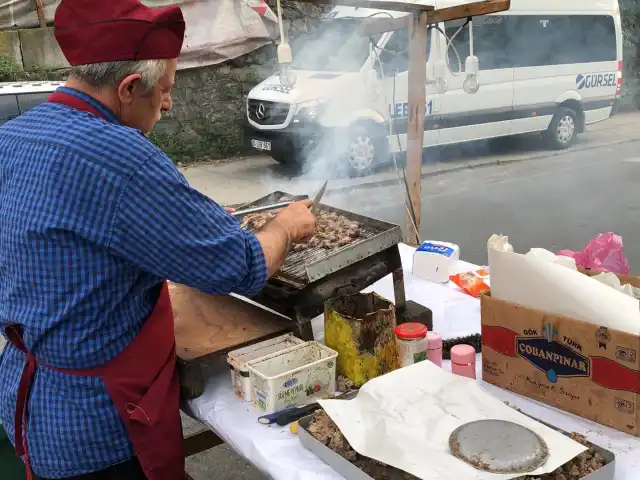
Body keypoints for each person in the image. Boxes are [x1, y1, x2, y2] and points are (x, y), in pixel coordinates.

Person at [0, 0, 316, 479]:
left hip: (28, 396)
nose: (168, 102)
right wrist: (286, 226)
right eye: (165, 90)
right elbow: (240, 266)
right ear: (129, 88)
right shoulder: (122, 157)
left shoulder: (13, 137)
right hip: (95, 423)